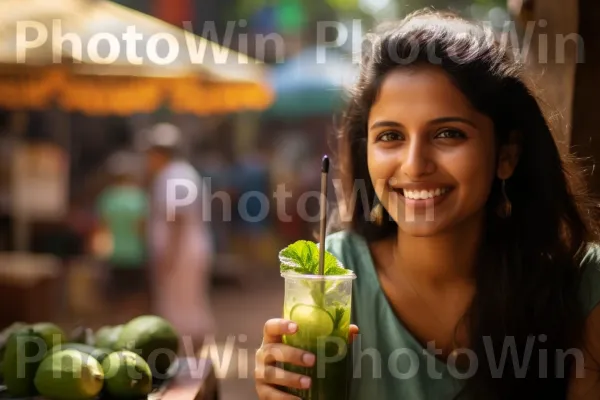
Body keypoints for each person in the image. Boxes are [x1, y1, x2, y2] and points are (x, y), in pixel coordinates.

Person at [254, 10, 600, 400]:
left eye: (448, 133)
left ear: (506, 154)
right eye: (390, 136)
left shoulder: (583, 285)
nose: (415, 165)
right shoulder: (331, 278)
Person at [144, 123, 215, 350]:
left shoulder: (173, 175)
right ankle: (194, 365)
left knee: (180, 311)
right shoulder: (183, 172)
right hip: (188, 249)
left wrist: (168, 256)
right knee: (190, 306)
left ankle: (189, 367)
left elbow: (177, 219)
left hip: (180, 252)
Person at [94, 151, 149, 317]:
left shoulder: (107, 197)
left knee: (117, 295)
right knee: (136, 294)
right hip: (136, 253)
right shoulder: (140, 197)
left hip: (115, 253)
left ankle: (119, 325)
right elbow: (142, 228)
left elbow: (102, 228)